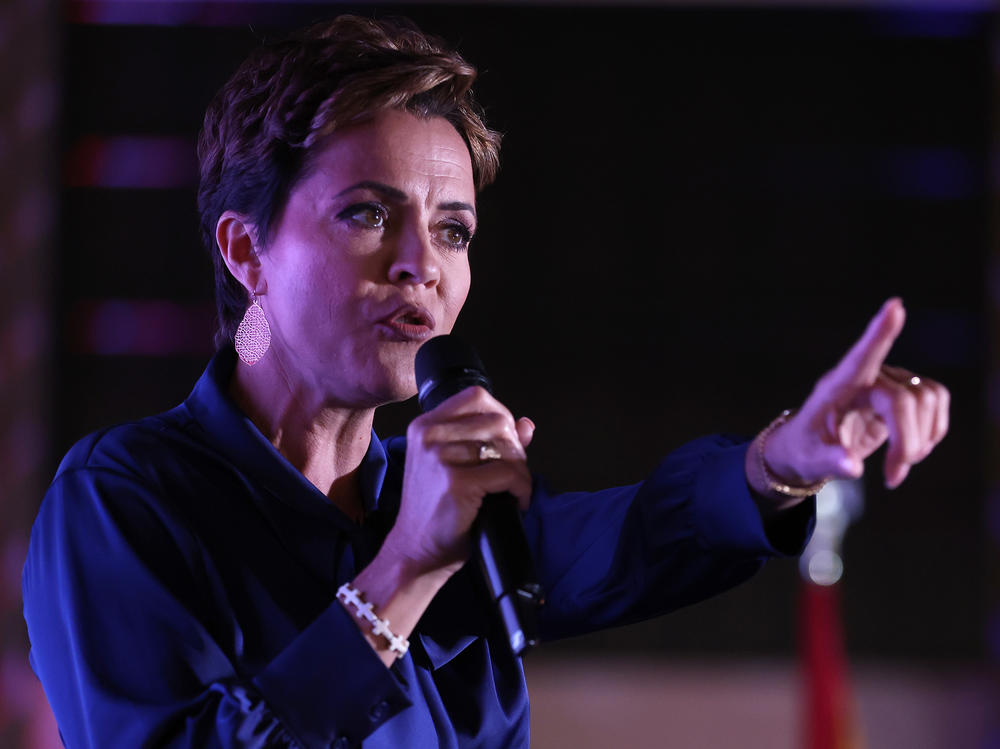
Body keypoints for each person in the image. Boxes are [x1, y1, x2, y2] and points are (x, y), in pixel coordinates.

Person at [22, 15, 949, 749]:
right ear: (245, 249)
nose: (420, 264)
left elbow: (633, 533)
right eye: (366, 214)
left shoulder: (440, 500)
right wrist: (399, 580)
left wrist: (781, 461)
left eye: (454, 229)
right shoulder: (122, 503)